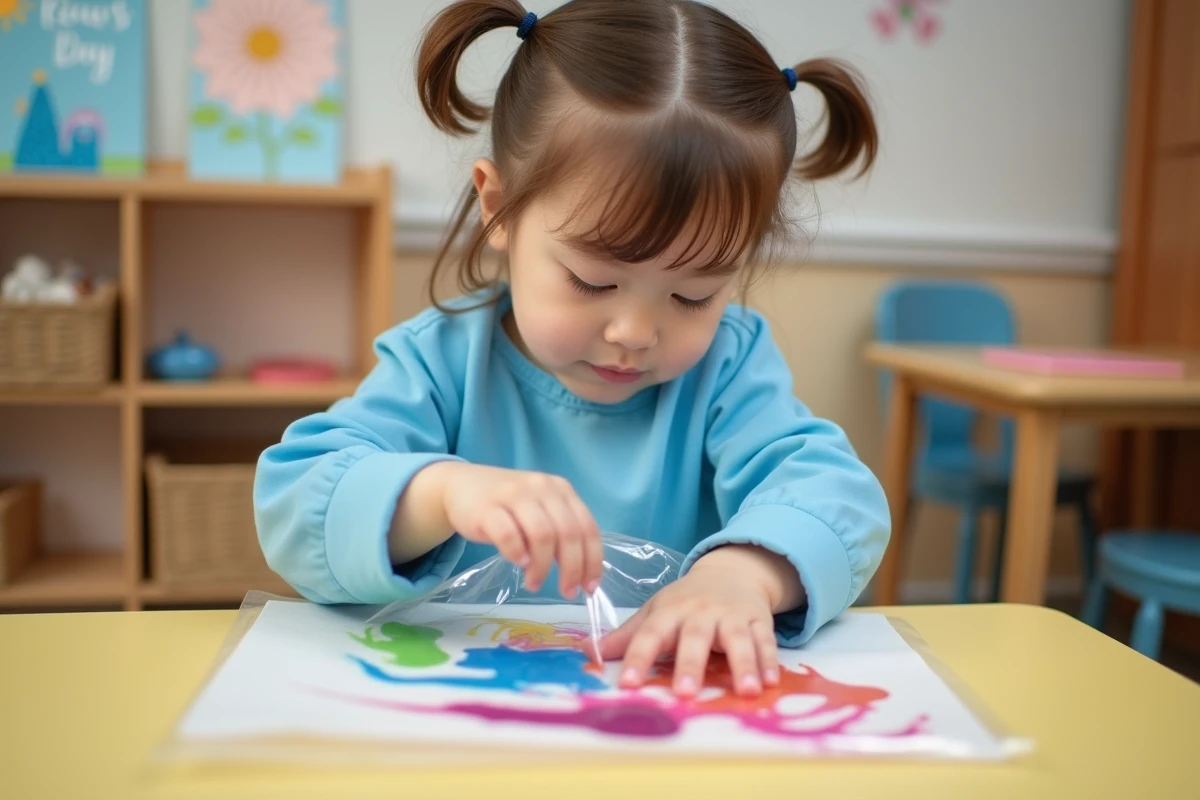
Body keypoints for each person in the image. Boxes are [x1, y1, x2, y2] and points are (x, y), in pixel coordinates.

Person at [254, 0, 890, 699]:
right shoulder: (439, 362)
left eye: (693, 296)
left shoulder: (729, 368)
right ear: (499, 209)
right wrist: (441, 492)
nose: (634, 332)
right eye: (593, 280)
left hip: (661, 716)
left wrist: (742, 575)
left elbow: (839, 496)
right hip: (462, 710)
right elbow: (295, 501)